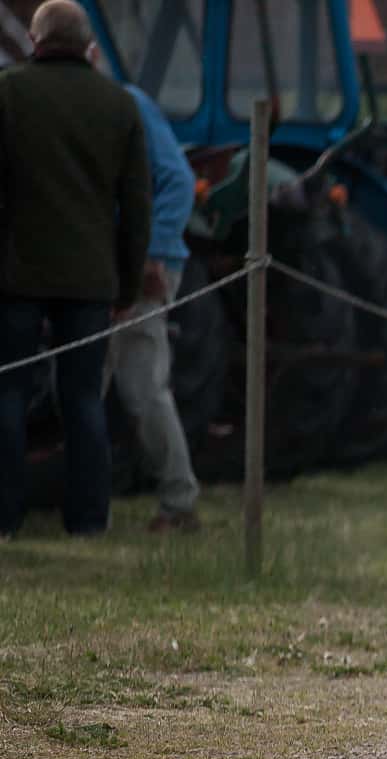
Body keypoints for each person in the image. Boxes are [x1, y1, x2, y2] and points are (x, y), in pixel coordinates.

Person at [0, 0, 150, 539]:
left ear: (36, 41)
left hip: (14, 277)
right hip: (90, 281)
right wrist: (127, 285)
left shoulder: (8, 93)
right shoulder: (119, 104)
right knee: (85, 399)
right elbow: (136, 207)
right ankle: (88, 519)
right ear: (88, 45)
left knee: (8, 396)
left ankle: (5, 519)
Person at [104, 65, 201, 533]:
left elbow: (178, 181)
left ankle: (179, 502)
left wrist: (151, 256)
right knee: (87, 384)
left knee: (142, 385)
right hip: (106, 262)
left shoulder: (129, 104)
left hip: (144, 265)